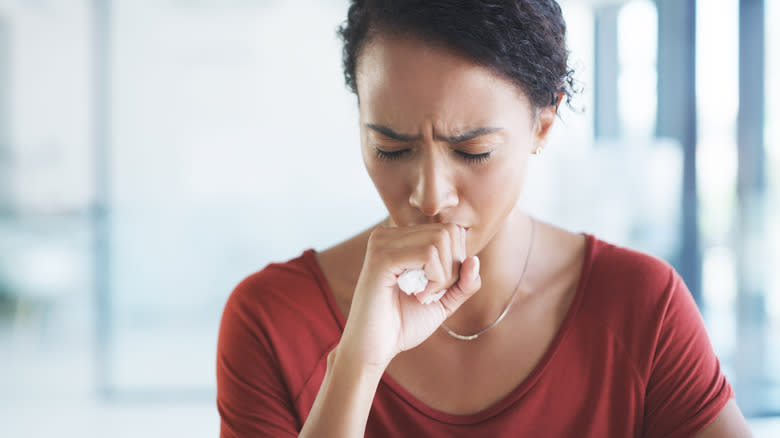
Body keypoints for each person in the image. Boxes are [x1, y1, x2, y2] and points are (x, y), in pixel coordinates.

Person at [216, 1, 753, 436]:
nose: (430, 197)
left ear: (542, 127)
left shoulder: (642, 309)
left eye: (472, 151)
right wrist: (356, 365)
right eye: (390, 148)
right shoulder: (271, 319)